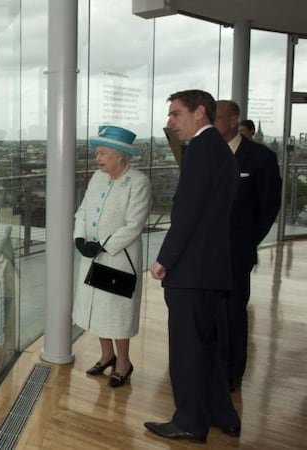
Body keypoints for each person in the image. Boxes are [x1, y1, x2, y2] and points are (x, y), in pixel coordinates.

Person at [144, 90, 242, 443]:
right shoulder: (221, 149)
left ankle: (189, 421)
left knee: (187, 350)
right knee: (208, 346)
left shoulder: (201, 151)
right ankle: (221, 413)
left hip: (192, 270)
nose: (170, 123)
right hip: (212, 268)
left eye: (175, 115)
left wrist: (164, 260)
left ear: (199, 113)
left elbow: (188, 213)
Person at [72, 125, 151, 388]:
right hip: (92, 256)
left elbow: (134, 224)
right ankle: (106, 356)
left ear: (120, 155)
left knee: (116, 312)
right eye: (98, 153)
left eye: (103, 153)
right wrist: (80, 237)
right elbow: (82, 210)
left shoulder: (138, 182)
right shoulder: (97, 177)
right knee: (97, 310)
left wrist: (104, 246)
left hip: (118, 258)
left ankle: (124, 363)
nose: (98, 158)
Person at [214, 100, 282, 392]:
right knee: (207, 311)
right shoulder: (204, 154)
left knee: (232, 312)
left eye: (215, 118)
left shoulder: (260, 158)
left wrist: (247, 242)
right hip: (204, 252)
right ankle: (210, 364)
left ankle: (232, 371)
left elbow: (269, 207)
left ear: (232, 121)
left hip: (236, 251)